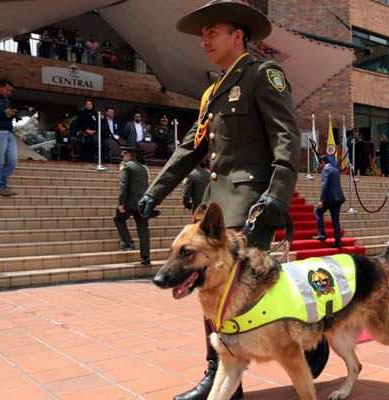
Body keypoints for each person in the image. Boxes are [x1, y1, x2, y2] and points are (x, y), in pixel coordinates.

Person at [134, 1, 327, 398]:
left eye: (212, 31)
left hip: (253, 203)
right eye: (202, 33)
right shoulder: (212, 92)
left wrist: (278, 194)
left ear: (237, 35)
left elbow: (286, 137)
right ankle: (220, 375)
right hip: (217, 204)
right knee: (214, 292)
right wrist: (154, 191)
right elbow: (191, 146)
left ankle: (244, 366)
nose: (204, 39)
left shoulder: (263, 75)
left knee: (237, 291)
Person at [113, 147, 151, 264]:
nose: (122, 157)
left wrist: (121, 203)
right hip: (142, 203)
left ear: (128, 155)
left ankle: (128, 242)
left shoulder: (125, 165)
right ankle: (145, 257)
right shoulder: (144, 168)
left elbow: (123, 185)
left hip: (129, 202)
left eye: (123, 155)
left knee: (118, 219)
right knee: (143, 229)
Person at [312, 155, 345, 248]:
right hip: (338, 198)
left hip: (329, 198)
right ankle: (338, 242)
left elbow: (325, 186)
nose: (320, 166)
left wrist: (321, 200)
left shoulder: (326, 170)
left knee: (318, 212)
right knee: (336, 221)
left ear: (323, 162)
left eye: (320, 164)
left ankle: (321, 234)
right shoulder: (335, 169)